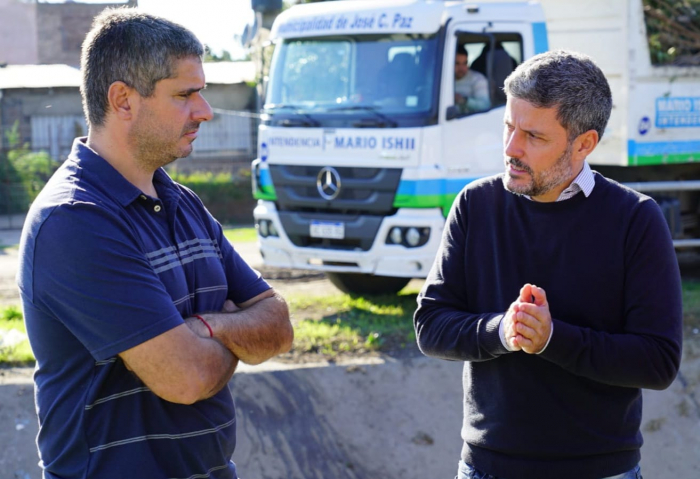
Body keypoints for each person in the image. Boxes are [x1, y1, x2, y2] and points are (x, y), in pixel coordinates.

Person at [17, 9, 293, 479]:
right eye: (186, 94)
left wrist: (208, 328)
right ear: (123, 100)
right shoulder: (75, 221)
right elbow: (186, 378)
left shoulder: (182, 202)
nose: (205, 110)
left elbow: (280, 326)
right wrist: (235, 329)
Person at [414, 49, 682, 479]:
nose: (511, 148)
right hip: (485, 468)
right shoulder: (475, 205)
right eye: (508, 126)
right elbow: (430, 326)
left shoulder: (635, 219)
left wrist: (552, 338)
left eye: (533, 136)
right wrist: (502, 331)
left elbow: (659, 361)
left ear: (585, 144)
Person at [454, 45, 490, 113]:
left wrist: (464, 100)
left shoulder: (478, 79)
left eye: (465, 63)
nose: (461, 68)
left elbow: (485, 105)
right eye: (457, 63)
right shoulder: (442, 79)